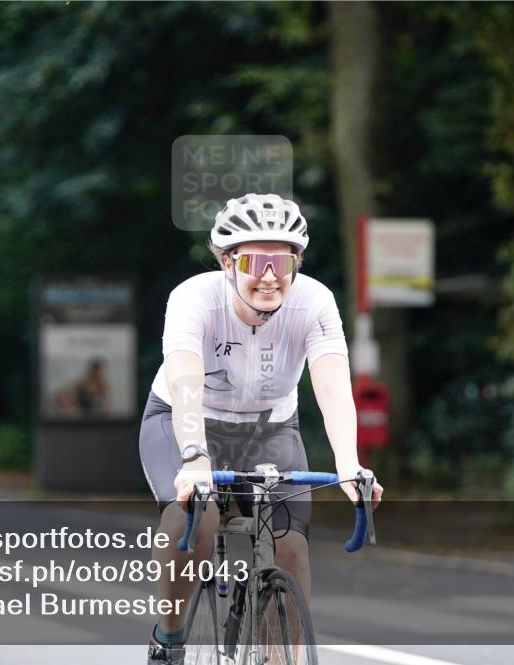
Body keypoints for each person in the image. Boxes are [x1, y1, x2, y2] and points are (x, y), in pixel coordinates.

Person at [139, 193, 384, 664]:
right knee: (197, 519)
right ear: (227, 261)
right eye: (255, 260)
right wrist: (194, 458)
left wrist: (349, 464)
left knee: (290, 546)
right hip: (186, 420)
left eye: (283, 260)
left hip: (270, 427)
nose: (270, 276)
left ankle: (280, 657)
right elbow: (185, 380)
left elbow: (332, 387)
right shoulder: (194, 299)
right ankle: (167, 639)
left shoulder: (315, 302)